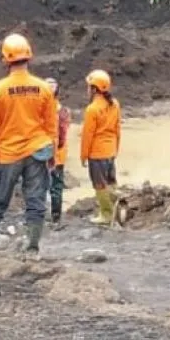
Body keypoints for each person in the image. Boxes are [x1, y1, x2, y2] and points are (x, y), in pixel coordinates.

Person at [0, 34, 57, 259]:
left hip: (8, 154)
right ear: (29, 57)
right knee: (36, 201)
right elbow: (51, 125)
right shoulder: (43, 88)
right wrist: (53, 154)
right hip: (37, 151)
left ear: (5, 60)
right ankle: (32, 249)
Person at [80, 70, 122, 225]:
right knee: (111, 182)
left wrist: (84, 155)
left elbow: (87, 135)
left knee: (100, 184)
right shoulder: (114, 104)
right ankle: (117, 210)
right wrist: (116, 148)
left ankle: (106, 214)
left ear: (94, 89)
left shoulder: (92, 109)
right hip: (110, 151)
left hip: (97, 153)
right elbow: (117, 129)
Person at [45, 77, 70, 225]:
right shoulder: (63, 111)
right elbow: (63, 135)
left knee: (40, 185)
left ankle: (44, 215)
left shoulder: (42, 110)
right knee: (56, 186)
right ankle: (56, 217)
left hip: (43, 153)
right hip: (57, 155)